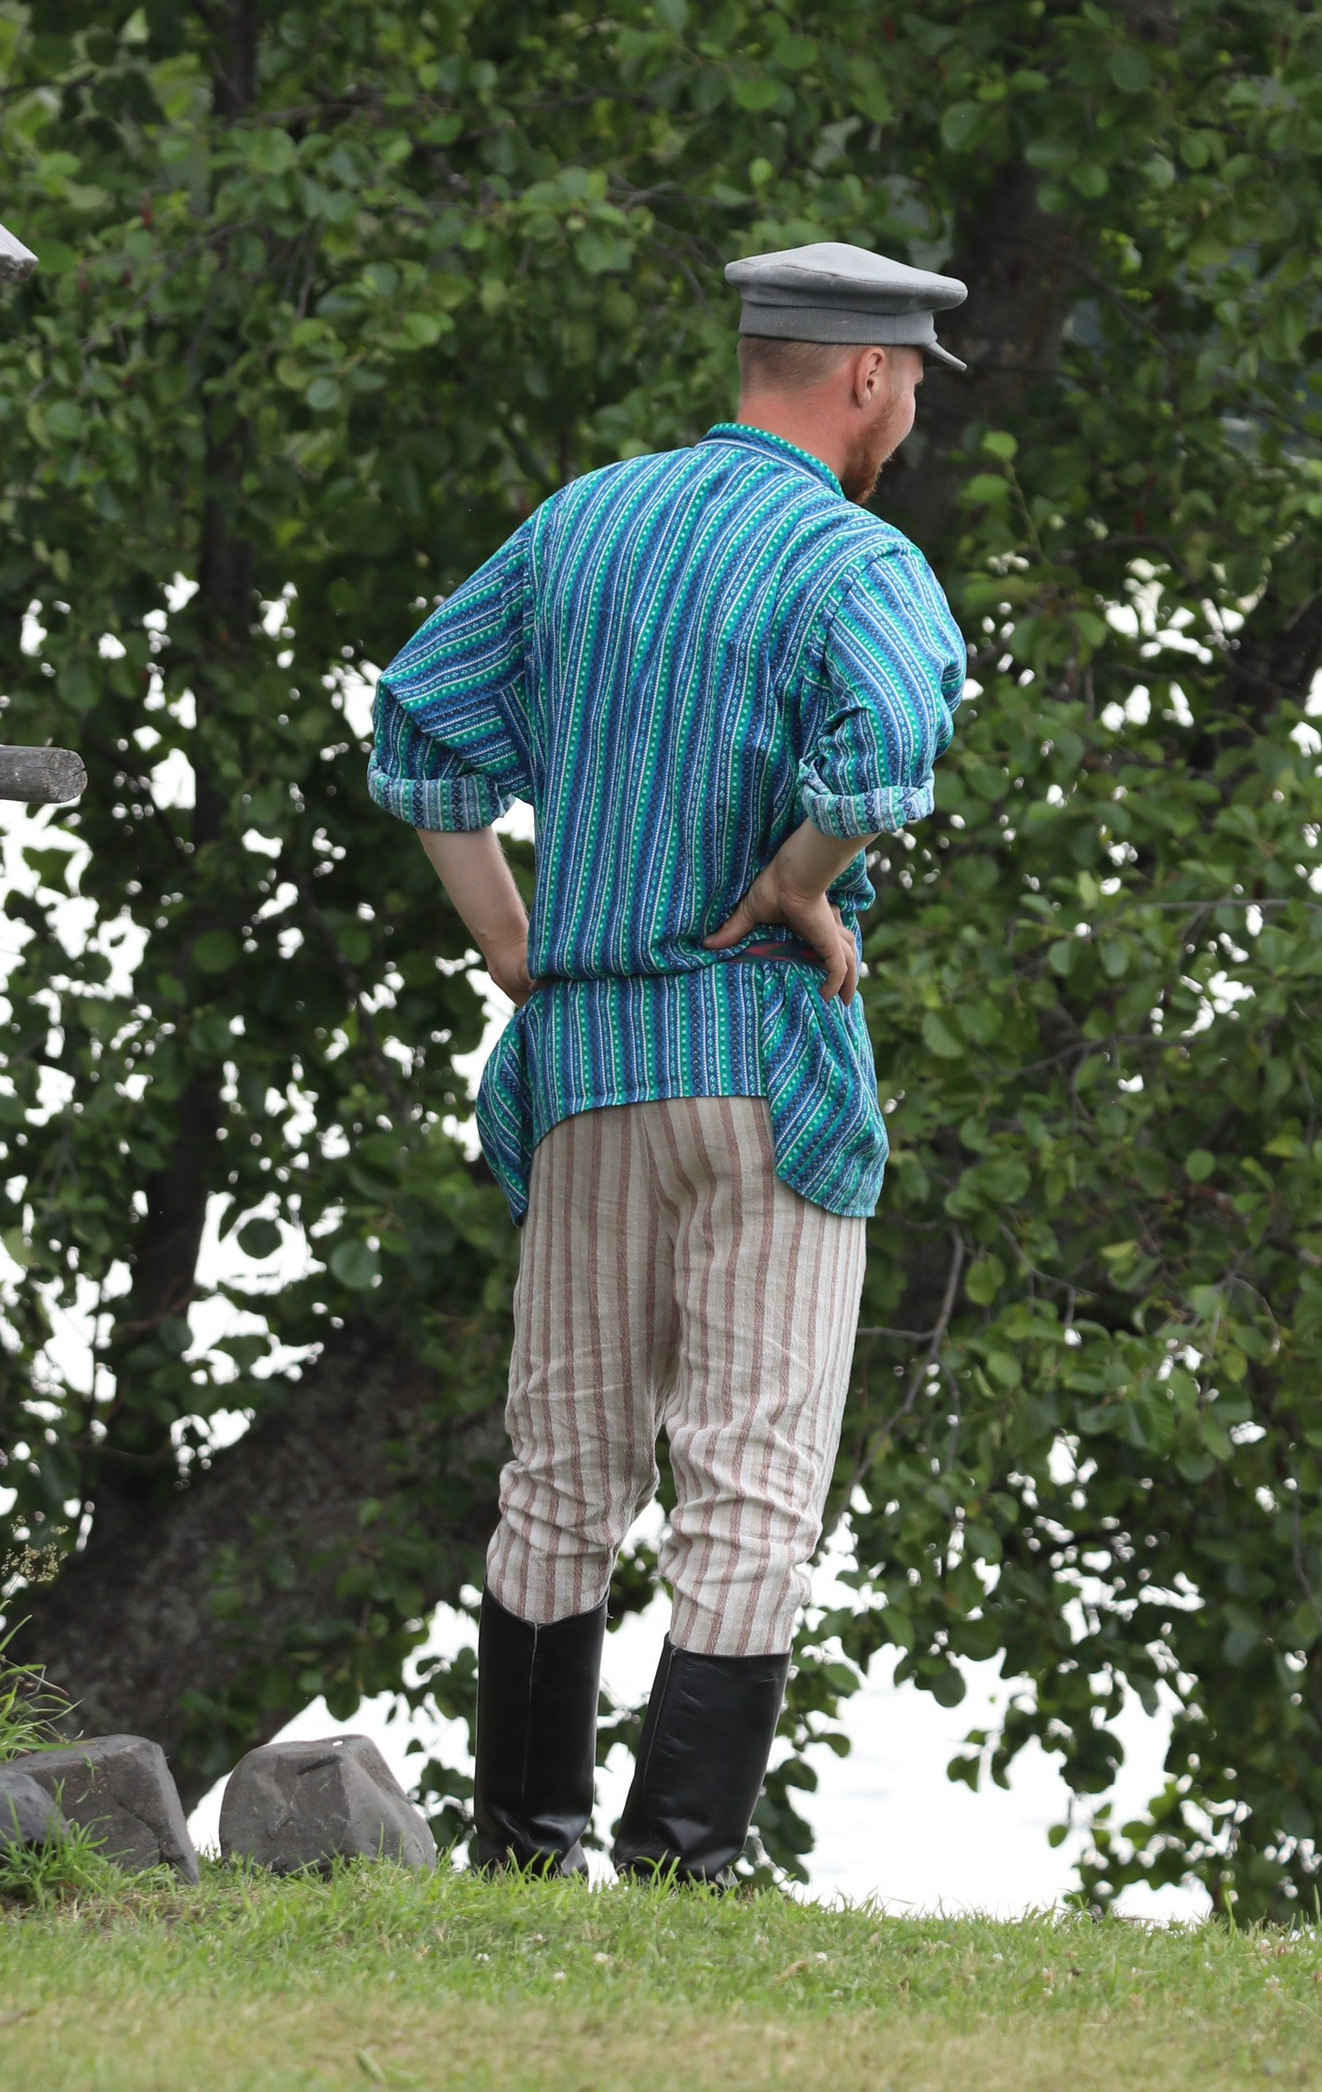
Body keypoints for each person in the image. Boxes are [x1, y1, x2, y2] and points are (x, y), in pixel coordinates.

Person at [370, 239, 970, 1884]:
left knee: (560, 1460)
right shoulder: (856, 563)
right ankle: (688, 1857)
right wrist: (797, 883)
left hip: (584, 1067)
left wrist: (512, 942)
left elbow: (420, 729)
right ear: (861, 376)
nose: (907, 412)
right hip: (758, 1066)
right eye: (910, 383)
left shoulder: (584, 525)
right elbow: (890, 748)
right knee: (751, 1475)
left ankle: (524, 1841)